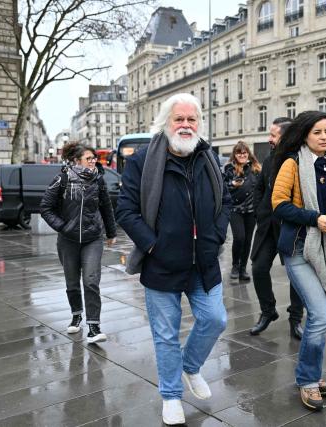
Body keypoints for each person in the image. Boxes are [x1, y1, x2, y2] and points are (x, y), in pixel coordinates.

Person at [116, 93, 230, 425]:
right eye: (178, 119)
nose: (185, 125)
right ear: (166, 122)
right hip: (162, 264)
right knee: (166, 336)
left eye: (191, 119)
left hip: (204, 262)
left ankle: (190, 367)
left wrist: (217, 236)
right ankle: (171, 396)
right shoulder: (142, 160)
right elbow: (125, 210)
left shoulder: (208, 156)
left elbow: (224, 203)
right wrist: (153, 246)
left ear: (199, 123)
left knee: (215, 319)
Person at [272, 111, 326, 411]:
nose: (325, 137)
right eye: (318, 132)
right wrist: (314, 219)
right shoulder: (292, 164)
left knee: (318, 320)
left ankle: (312, 373)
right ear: (304, 136)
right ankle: (308, 380)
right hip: (298, 249)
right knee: (321, 317)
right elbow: (279, 204)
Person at [40, 143, 117, 343]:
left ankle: (94, 326)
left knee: (91, 281)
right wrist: (63, 227)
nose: (93, 162)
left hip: (93, 238)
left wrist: (111, 232)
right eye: (88, 158)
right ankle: (76, 314)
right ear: (76, 161)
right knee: (72, 283)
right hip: (68, 240)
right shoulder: (62, 179)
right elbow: (46, 208)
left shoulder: (98, 181)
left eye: (94, 159)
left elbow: (107, 208)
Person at [249, 117, 304, 339]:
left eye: (273, 135)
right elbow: (260, 187)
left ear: (286, 137)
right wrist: (259, 212)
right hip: (266, 226)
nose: (269, 139)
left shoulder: (299, 160)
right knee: (258, 268)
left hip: (290, 227)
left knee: (297, 274)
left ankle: (295, 319)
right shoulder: (270, 158)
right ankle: (268, 311)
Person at [223, 141, 260, 281]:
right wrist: (232, 184)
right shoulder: (229, 168)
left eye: (244, 153)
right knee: (239, 238)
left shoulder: (255, 168)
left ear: (248, 154)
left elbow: (260, 188)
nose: (242, 155)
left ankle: (243, 268)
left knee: (248, 240)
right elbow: (222, 187)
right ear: (235, 154)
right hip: (235, 209)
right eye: (239, 153)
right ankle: (235, 265)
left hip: (251, 211)